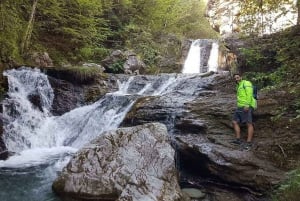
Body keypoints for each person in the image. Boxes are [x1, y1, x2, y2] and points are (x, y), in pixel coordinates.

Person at [231, 73, 257, 151]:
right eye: (235, 78)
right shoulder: (238, 86)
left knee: (248, 123)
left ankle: (249, 142)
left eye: (237, 77)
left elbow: (249, 94)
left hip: (246, 106)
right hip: (240, 106)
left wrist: (247, 104)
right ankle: (238, 139)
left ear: (241, 77)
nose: (236, 79)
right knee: (234, 121)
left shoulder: (246, 83)